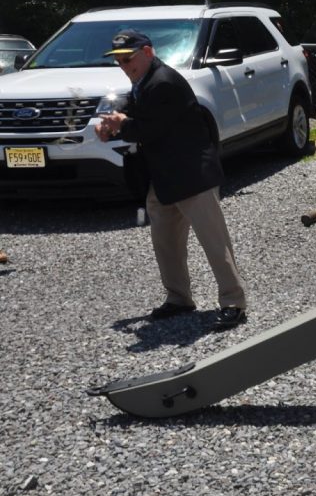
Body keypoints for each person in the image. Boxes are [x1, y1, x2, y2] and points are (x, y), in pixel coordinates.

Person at [95, 29, 248, 330]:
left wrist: (121, 125)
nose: (124, 66)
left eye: (128, 59)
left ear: (148, 52)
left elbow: (149, 128)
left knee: (215, 244)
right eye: (119, 61)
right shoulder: (145, 80)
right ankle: (178, 298)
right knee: (165, 243)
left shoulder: (164, 81)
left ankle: (234, 303)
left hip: (192, 175)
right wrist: (115, 121)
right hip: (165, 177)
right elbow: (134, 104)